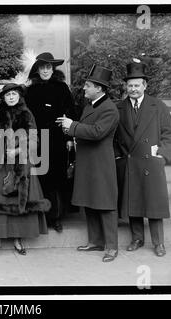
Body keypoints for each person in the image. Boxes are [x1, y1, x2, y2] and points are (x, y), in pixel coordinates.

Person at [114, 61, 171, 257]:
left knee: (154, 203)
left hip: (151, 162)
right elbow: (114, 136)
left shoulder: (158, 106)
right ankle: (137, 238)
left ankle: (159, 243)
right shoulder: (119, 107)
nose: (133, 89)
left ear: (145, 86)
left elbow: (169, 134)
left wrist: (162, 155)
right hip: (130, 161)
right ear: (126, 86)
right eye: (130, 85)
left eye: (137, 85)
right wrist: (118, 155)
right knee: (134, 201)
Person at [58, 65, 119, 262]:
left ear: (99, 89)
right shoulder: (90, 106)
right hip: (87, 162)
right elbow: (87, 130)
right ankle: (95, 241)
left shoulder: (109, 109)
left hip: (101, 164)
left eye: (88, 86)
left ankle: (112, 246)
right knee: (90, 203)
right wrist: (71, 129)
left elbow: (97, 132)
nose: (84, 89)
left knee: (106, 204)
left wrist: (72, 126)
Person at [0, 83, 50, 256]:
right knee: (0, 200)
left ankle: (17, 239)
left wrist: (18, 150)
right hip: (3, 165)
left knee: (19, 200)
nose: (11, 97)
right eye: (7, 95)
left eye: (14, 94)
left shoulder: (27, 114)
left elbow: (34, 138)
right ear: (3, 98)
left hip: (22, 163)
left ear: (19, 96)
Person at [25, 52, 78, 233]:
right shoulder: (30, 90)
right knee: (41, 177)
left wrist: (69, 138)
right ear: (37, 69)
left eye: (48, 67)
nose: (45, 70)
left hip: (57, 139)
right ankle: (42, 217)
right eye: (42, 67)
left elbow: (71, 112)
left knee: (56, 178)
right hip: (38, 140)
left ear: (53, 69)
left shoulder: (62, 87)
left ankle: (56, 217)